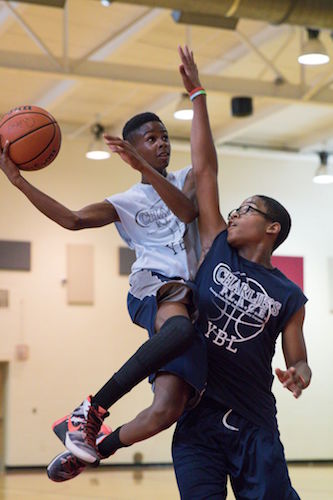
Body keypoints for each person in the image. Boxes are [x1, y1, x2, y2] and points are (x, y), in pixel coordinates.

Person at [0, 112, 206, 480]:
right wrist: (17, 181)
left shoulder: (188, 179)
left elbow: (188, 211)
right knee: (179, 331)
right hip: (155, 284)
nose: (162, 144)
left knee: (166, 410)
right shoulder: (125, 202)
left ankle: (93, 450)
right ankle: (90, 410)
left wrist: (147, 166)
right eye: (151, 139)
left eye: (164, 138)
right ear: (133, 147)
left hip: (192, 295)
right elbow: (72, 219)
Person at [171, 46, 312, 499]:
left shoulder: (288, 294)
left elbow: (299, 360)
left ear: (271, 228)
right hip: (197, 420)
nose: (233, 213)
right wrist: (198, 95)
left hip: (253, 424)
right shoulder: (217, 248)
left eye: (246, 210)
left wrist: (298, 377)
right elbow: (206, 168)